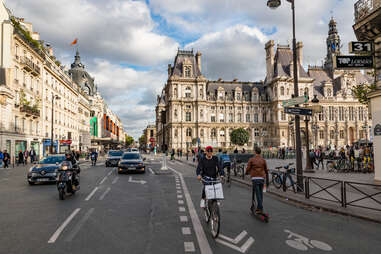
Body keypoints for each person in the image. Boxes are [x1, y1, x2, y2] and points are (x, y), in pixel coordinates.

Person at [245, 146, 268, 214]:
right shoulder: (263, 160)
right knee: (260, 193)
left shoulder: (251, 159)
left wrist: (246, 173)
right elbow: (266, 169)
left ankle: (260, 207)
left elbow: (248, 168)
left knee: (257, 193)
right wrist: (265, 175)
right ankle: (258, 207)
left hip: (255, 178)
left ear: (255, 152)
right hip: (262, 178)